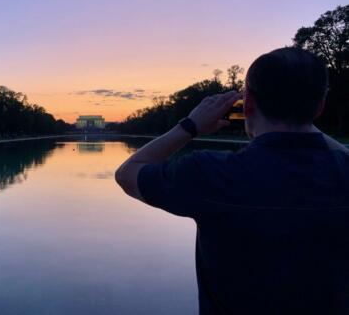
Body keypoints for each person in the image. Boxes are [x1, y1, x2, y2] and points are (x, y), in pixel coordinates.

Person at [115, 47, 349, 315]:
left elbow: (127, 173)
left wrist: (190, 126)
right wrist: (303, 122)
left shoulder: (210, 172)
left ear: (247, 104)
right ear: (320, 106)